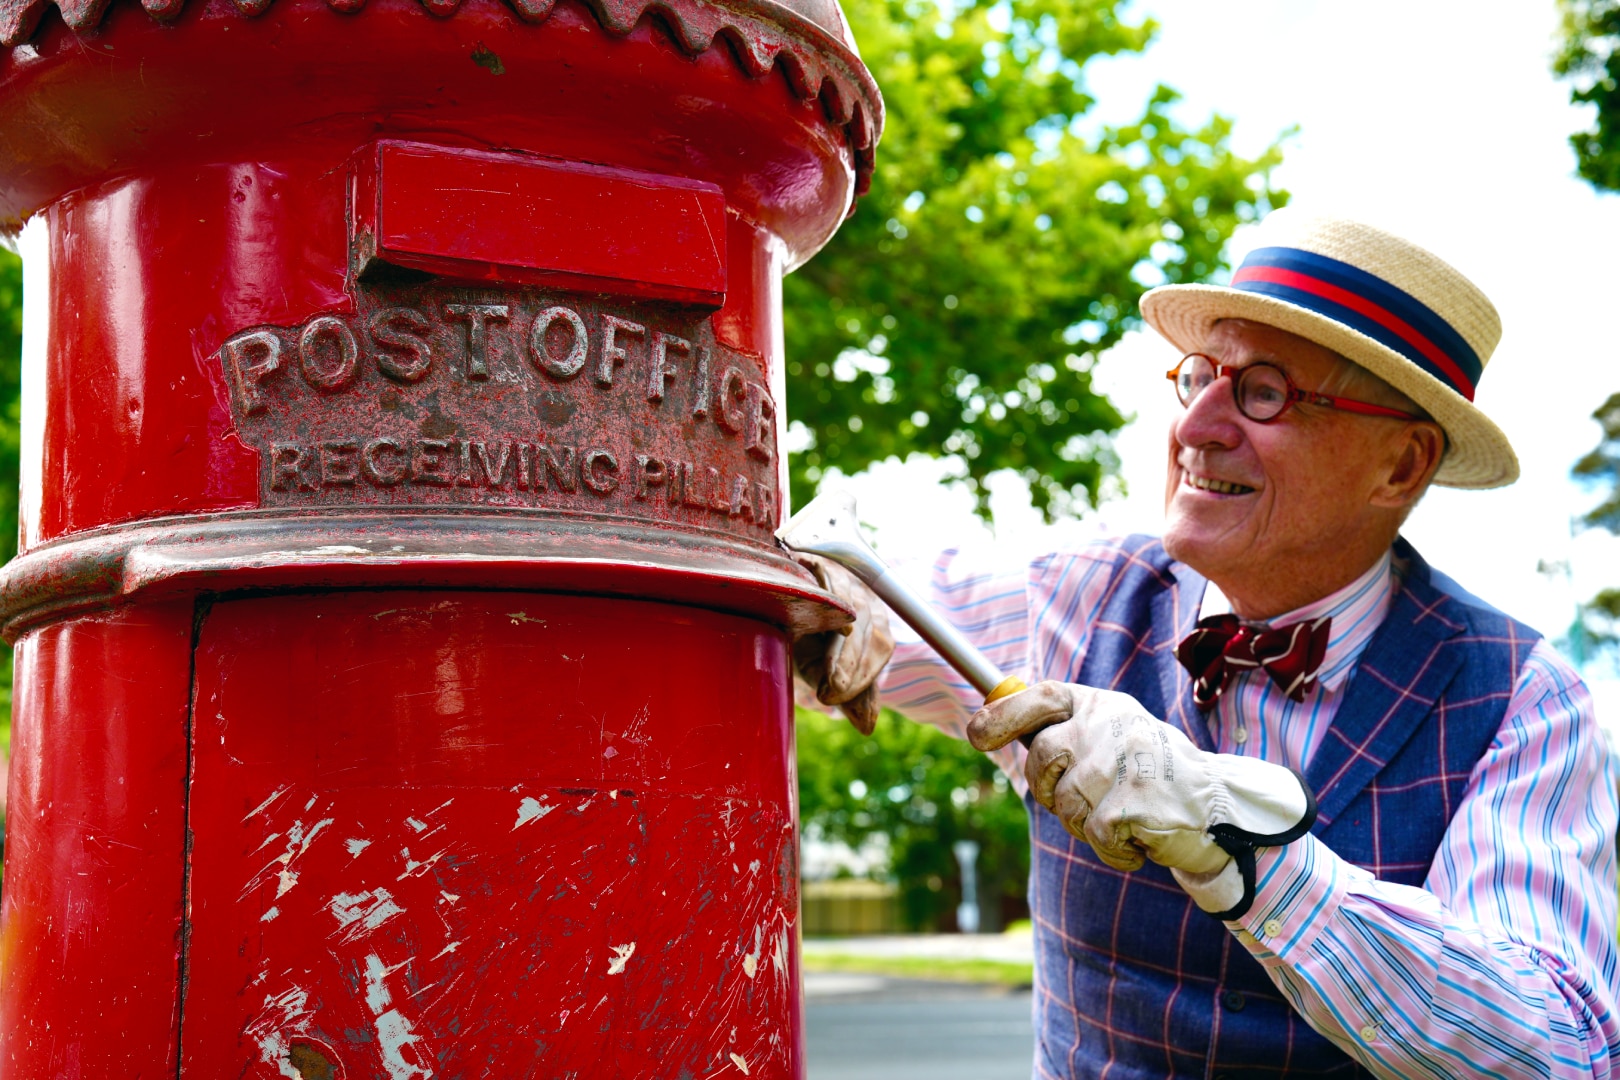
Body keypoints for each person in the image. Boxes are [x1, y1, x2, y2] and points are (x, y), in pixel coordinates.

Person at [795, 214, 1620, 1077]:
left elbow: (1557, 1048)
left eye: (1265, 392)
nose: (1196, 428)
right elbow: (846, 607)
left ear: (1402, 466)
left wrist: (1231, 840)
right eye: (1198, 378)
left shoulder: (1526, 699)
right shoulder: (1073, 596)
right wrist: (827, 586)